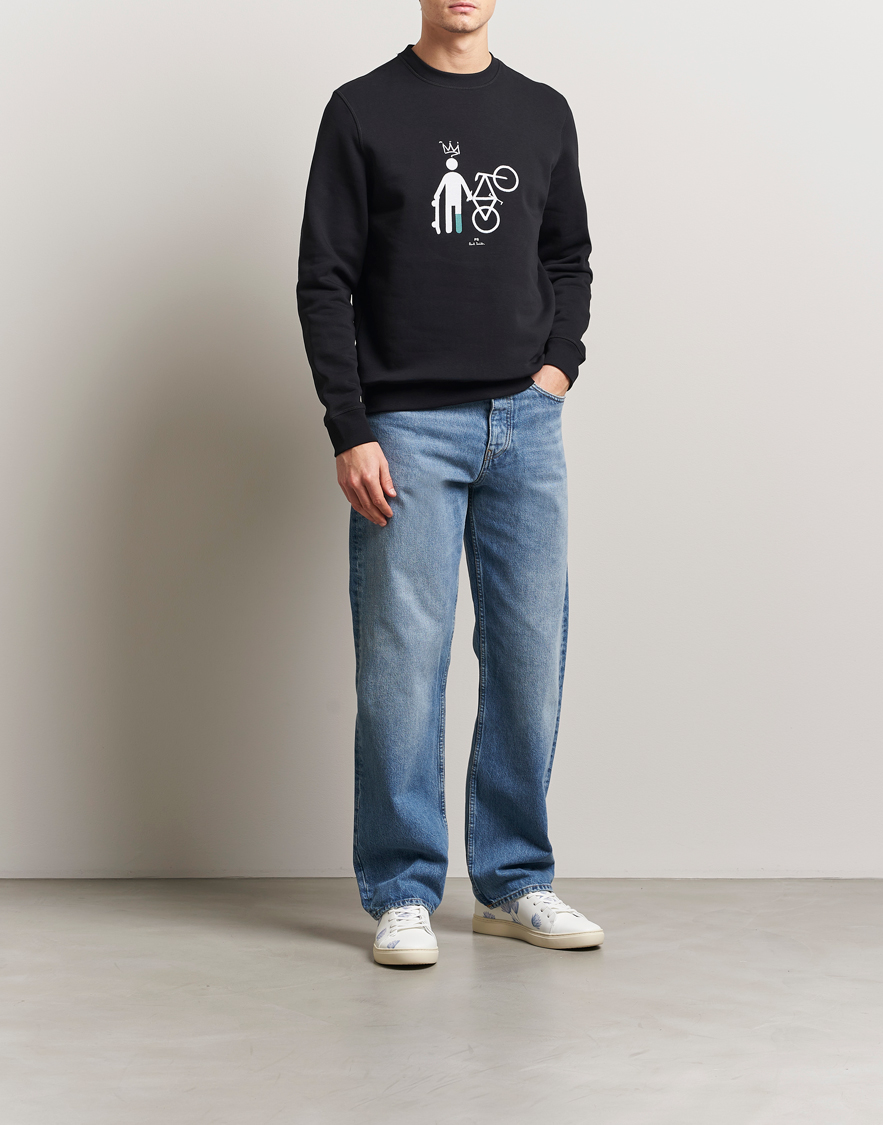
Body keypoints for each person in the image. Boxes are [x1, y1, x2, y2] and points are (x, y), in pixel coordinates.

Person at [296, 0, 604, 966]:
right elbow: (325, 278)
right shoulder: (361, 110)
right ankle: (402, 889)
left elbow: (568, 259)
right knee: (402, 664)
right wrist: (351, 426)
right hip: (406, 430)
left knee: (528, 655)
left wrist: (556, 371)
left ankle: (513, 882)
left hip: (526, 423)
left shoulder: (543, 111)